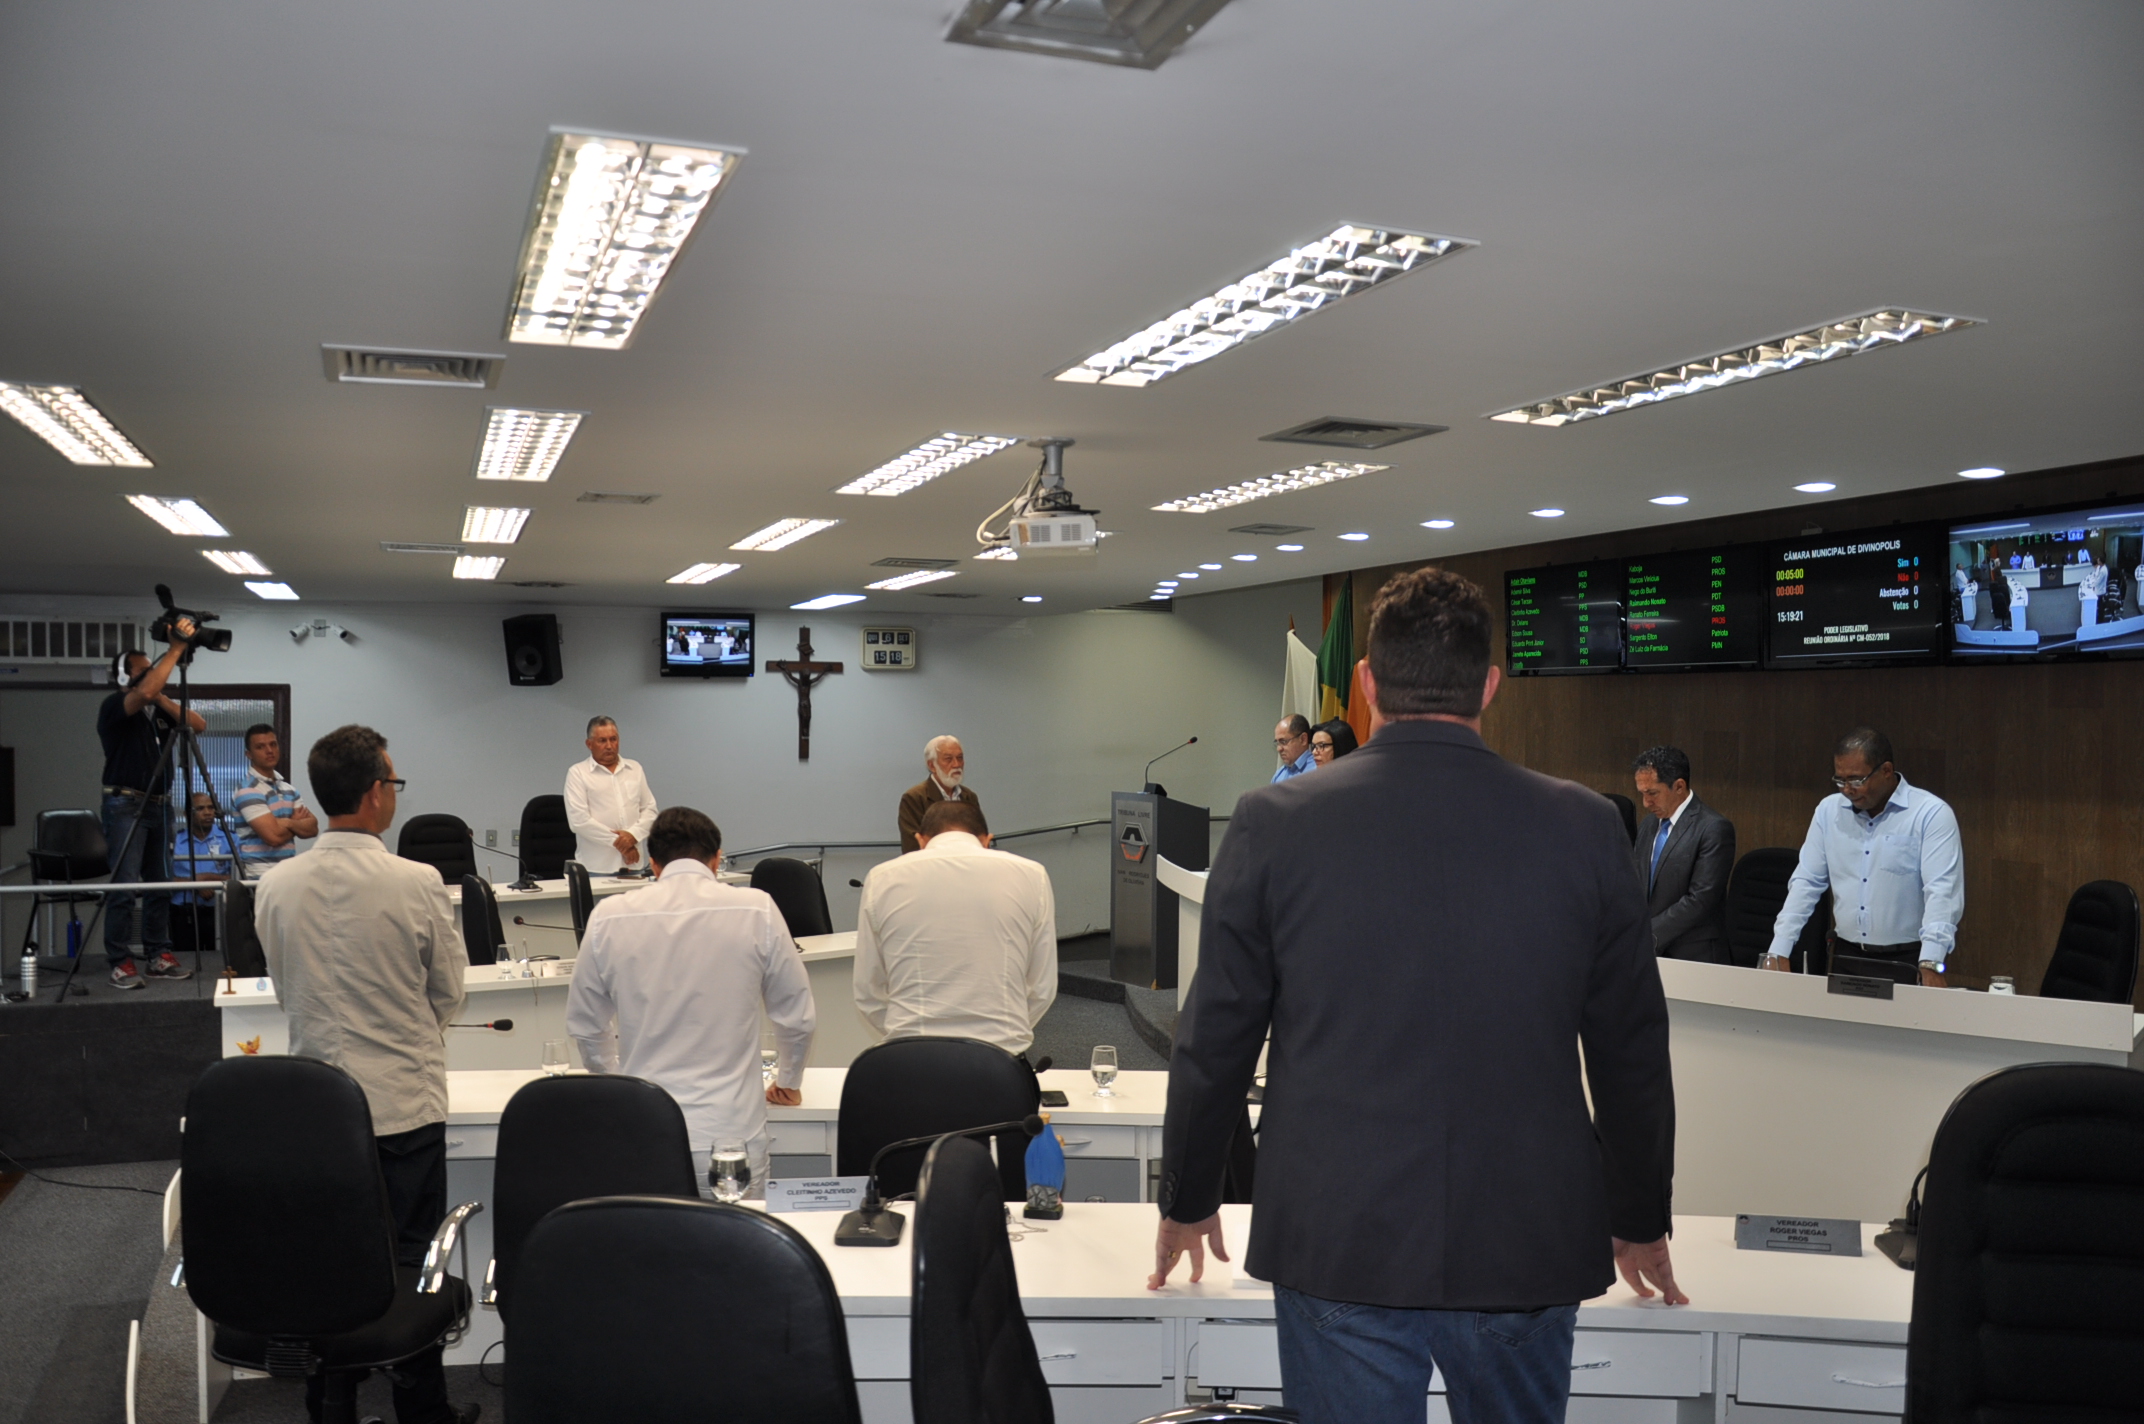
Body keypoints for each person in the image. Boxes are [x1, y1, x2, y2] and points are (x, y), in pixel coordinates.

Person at [1151, 567, 1681, 1424]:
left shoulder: (1272, 821)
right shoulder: (1585, 824)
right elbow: (1632, 1050)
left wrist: (1187, 1198)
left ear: (1365, 684)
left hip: (1337, 1233)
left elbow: (1214, 1037)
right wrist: (1641, 1214)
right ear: (1491, 686)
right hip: (1524, 1237)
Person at [252, 725, 475, 1424]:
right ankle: (422, 1409)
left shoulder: (275, 885)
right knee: (414, 1265)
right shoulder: (416, 881)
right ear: (377, 793)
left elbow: (286, 991)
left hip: (317, 1117)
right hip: (403, 1103)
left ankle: (333, 1405)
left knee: (328, 1264)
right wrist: (406, 1033)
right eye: (394, 782)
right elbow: (449, 992)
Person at [566, 806, 815, 1198]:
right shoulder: (757, 908)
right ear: (716, 859)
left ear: (653, 863)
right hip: (732, 1138)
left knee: (650, 1238)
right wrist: (789, 1082)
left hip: (645, 1133)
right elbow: (796, 1017)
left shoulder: (609, 916)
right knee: (737, 1239)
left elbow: (585, 1026)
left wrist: (620, 1083)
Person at [853, 798, 1057, 1059]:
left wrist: (907, 1033)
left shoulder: (881, 878)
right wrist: (1005, 1032)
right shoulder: (1033, 874)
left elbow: (868, 990)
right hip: (1001, 1057)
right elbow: (1041, 987)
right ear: (986, 841)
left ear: (920, 840)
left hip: (912, 1055)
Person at [1767, 728, 1962, 987]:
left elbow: (1942, 892)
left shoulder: (1930, 814)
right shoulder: (1829, 811)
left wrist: (1932, 962)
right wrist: (1779, 949)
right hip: (1845, 955)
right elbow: (1807, 882)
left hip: (1907, 959)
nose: (1847, 790)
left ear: (1886, 770)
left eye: (1856, 780)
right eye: (1840, 780)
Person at [96, 625, 207, 988]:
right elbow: (142, 692)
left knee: (161, 884)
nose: (153, 674)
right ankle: (120, 961)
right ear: (123, 676)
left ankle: (158, 955)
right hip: (125, 804)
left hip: (160, 806)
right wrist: (174, 650)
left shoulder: (156, 709)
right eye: (144, 669)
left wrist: (161, 699)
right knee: (125, 886)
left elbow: (198, 725)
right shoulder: (114, 706)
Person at [1629, 746, 1736, 964]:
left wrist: (1648, 934)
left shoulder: (1713, 828)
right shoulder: (1648, 824)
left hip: (1694, 956)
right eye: (1642, 794)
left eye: (1652, 793)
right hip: (1649, 955)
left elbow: (1701, 899)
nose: (1646, 803)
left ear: (1679, 786)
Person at [564, 716, 659, 875]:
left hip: (634, 866)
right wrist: (622, 844)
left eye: (613, 739)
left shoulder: (634, 769)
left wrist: (633, 836)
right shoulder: (578, 773)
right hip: (597, 867)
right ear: (589, 744)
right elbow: (579, 821)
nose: (609, 746)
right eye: (602, 740)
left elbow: (650, 810)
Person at [229, 724, 318, 878]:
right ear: (249, 754)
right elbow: (273, 837)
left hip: (288, 874)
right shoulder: (247, 790)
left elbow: (312, 828)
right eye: (260, 747)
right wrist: (296, 824)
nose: (269, 750)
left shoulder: (289, 789)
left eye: (273, 744)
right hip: (260, 877)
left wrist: (287, 822)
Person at [170, 791, 234, 962]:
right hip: (183, 912)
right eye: (200, 808)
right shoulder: (174, 841)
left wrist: (207, 878)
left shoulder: (229, 839)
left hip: (220, 911)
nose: (207, 813)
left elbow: (239, 876)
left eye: (211, 808)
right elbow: (164, 878)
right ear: (186, 814)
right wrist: (195, 884)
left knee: (222, 962)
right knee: (185, 961)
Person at [898, 735, 985, 854]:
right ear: (932, 766)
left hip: (966, 861)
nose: (957, 764)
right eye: (948, 759)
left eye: (960, 758)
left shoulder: (969, 797)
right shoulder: (914, 798)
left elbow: (980, 838)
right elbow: (913, 847)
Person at [1270, 715, 1314, 782]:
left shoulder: (1318, 769)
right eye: (1277, 743)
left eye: (1283, 741)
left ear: (1303, 739)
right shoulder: (1279, 776)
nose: (1279, 749)